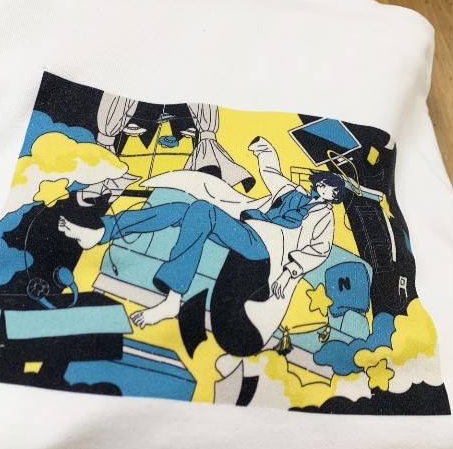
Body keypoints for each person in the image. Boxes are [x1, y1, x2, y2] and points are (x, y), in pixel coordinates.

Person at [58, 137, 346, 330]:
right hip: (244, 228)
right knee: (180, 210)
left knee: (201, 210)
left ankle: (172, 301)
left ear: (334, 198)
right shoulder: (292, 191)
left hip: (264, 247)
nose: (324, 189)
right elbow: (271, 171)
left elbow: (319, 250)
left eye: (330, 190)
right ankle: (102, 231)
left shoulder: (324, 216)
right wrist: (263, 148)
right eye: (324, 184)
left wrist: (289, 273)